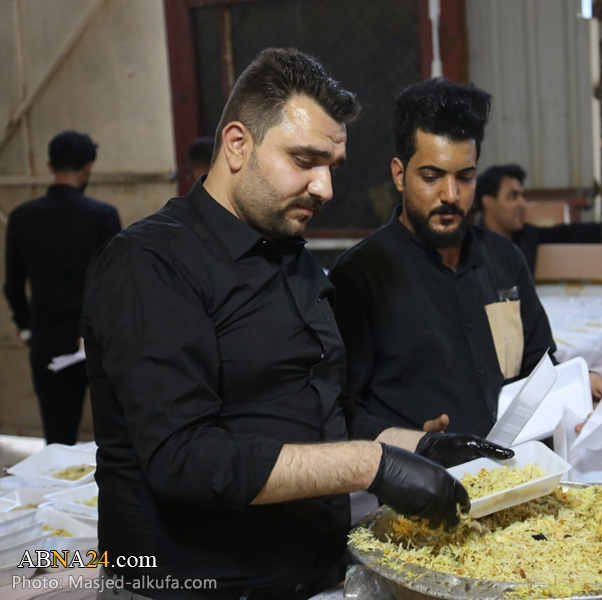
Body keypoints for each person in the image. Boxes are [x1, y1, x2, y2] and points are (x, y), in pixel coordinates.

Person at [81, 49, 508, 600]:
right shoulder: (150, 264)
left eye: (332, 167)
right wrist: (371, 465)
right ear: (238, 144)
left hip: (314, 575)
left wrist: (417, 448)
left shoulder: (291, 258)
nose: (324, 187)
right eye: (305, 160)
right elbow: (184, 458)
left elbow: (322, 414)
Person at [329, 79, 602, 442]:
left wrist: (577, 386)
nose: (451, 195)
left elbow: (539, 368)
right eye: (431, 177)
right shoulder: (360, 276)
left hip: (518, 468)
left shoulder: (503, 258)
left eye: (465, 178)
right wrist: (410, 441)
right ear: (399, 175)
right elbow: (342, 411)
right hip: (417, 475)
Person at [3, 131, 120, 445]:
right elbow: (116, 283)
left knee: (57, 437)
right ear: (87, 167)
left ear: (50, 166)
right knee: (116, 435)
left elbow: (13, 284)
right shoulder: (102, 216)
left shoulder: (22, 217)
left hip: (48, 340)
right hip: (98, 341)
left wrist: (26, 327)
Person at [475, 164, 602, 273]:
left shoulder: (526, 236)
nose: (523, 204)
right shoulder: (471, 247)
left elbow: (567, 233)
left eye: (523, 196)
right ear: (488, 202)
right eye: (513, 196)